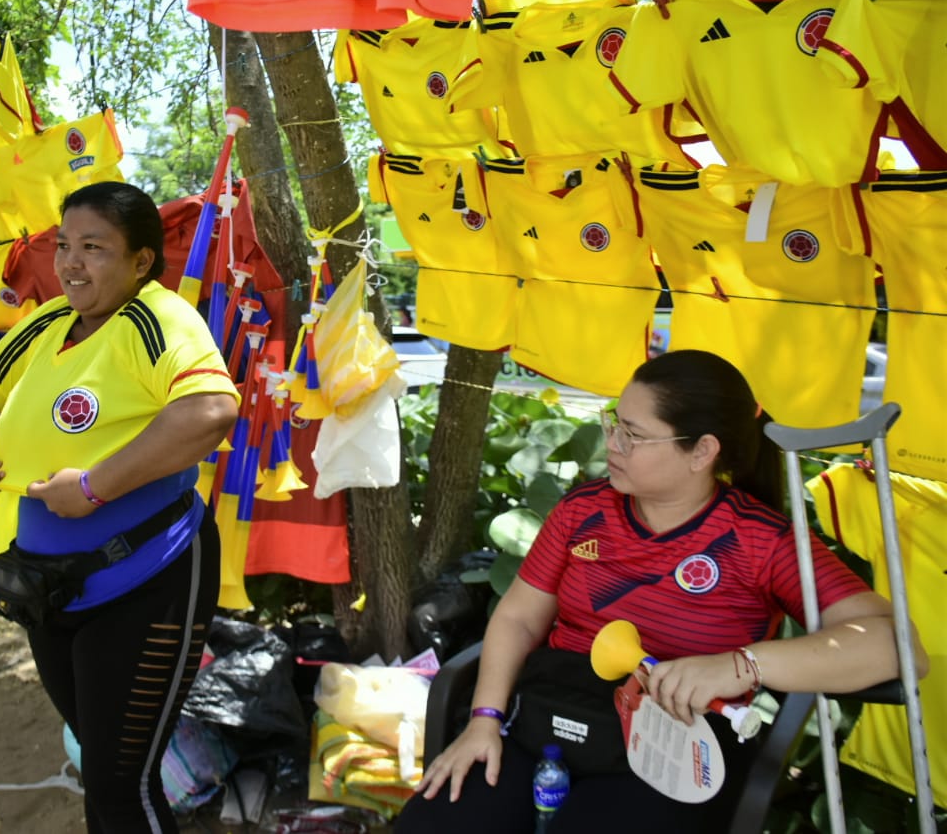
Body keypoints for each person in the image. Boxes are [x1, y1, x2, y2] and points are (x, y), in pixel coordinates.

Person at [397, 349, 929, 834]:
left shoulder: (760, 541)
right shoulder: (582, 512)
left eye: (633, 434)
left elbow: (894, 644)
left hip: (680, 749)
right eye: (613, 423)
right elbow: (517, 619)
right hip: (552, 719)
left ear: (701, 452)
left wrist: (739, 666)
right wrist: (484, 720)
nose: (612, 443)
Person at [0, 181, 239, 834]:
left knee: (119, 781)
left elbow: (211, 409)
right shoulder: (45, 323)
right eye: (64, 245)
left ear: (140, 261)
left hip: (146, 577)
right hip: (51, 588)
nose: (70, 262)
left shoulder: (157, 318)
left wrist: (97, 485)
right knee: (100, 769)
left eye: (94, 248)